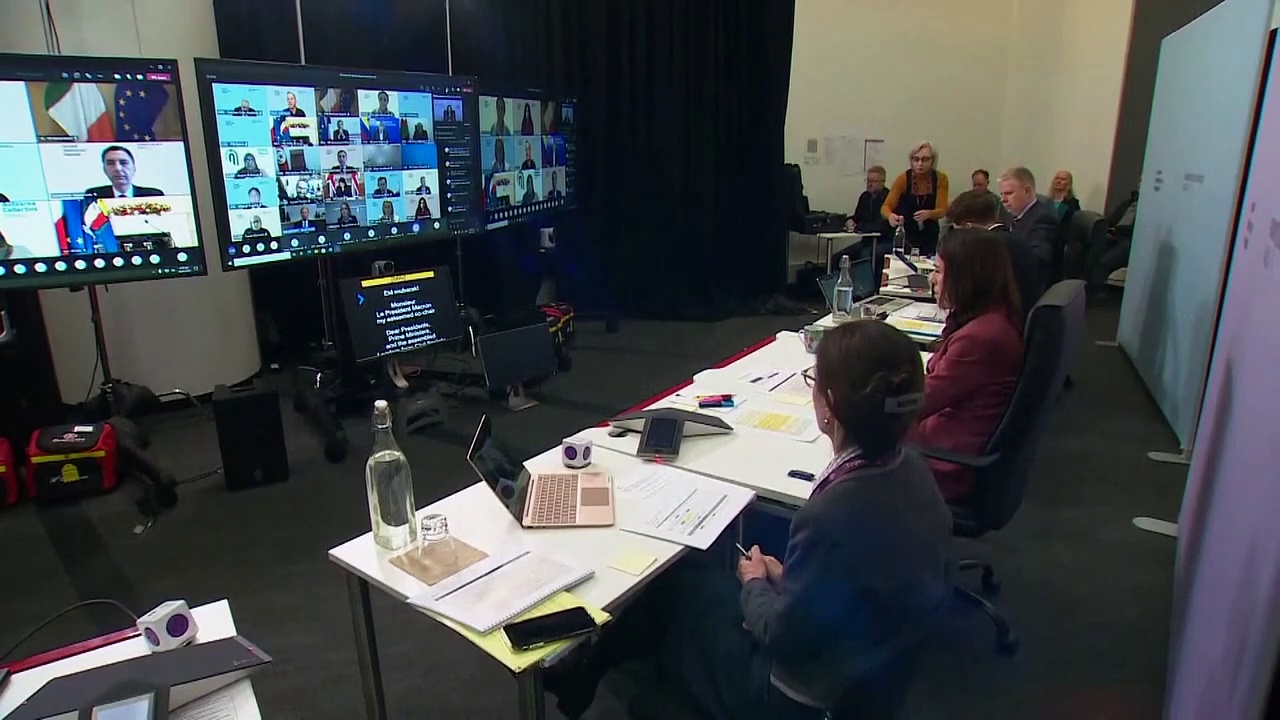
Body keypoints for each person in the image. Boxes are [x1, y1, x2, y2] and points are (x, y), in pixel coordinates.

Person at [544, 319, 953, 720]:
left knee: (673, 586)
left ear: (829, 404)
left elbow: (779, 634)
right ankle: (592, 672)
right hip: (868, 674)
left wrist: (755, 581)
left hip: (795, 697)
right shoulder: (913, 471)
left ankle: (597, 677)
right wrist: (787, 578)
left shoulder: (832, 513)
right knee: (692, 581)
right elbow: (857, 583)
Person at [912, 229, 1024, 501]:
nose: (932, 279)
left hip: (942, 465)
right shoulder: (993, 317)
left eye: (938, 271)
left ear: (965, 277)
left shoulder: (980, 339)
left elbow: (919, 401)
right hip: (944, 442)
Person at [945, 189, 1044, 314]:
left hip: (1006, 316)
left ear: (968, 227)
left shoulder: (989, 248)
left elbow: (975, 295)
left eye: (957, 231)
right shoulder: (1010, 238)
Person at [882, 141, 949, 256]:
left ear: (932, 160)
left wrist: (930, 214)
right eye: (916, 159)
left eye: (925, 159)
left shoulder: (941, 179)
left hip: (929, 234)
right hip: (907, 234)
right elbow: (885, 207)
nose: (920, 163)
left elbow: (942, 210)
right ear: (911, 160)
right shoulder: (903, 179)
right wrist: (890, 216)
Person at [997, 167, 1060, 285]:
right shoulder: (1008, 213)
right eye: (1001, 194)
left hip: (1029, 284)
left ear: (1027, 191)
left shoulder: (1044, 218)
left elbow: (1038, 259)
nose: (1003, 200)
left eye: (1009, 193)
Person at [85, 146, 163, 199]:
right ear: (104, 169)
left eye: (124, 163)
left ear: (134, 168)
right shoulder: (94, 196)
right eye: (110, 163)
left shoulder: (153, 195)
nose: (118, 168)